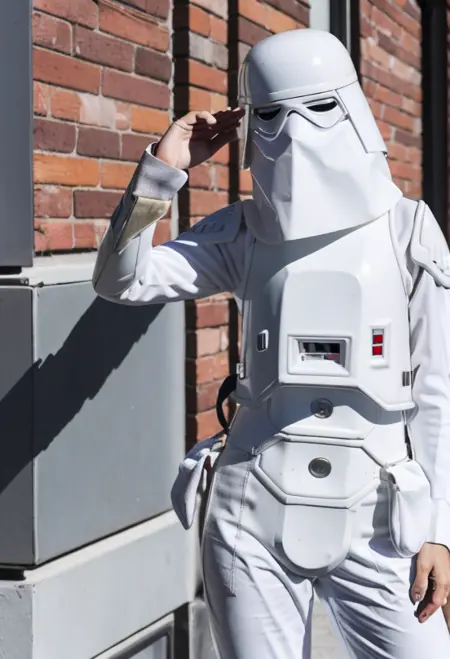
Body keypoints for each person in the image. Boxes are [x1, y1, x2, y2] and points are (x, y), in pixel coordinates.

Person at [93, 29, 450, 659]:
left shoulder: (407, 231)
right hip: (251, 510)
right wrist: (162, 170)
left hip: (382, 517)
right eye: (270, 115)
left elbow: (436, 389)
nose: (294, 130)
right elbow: (122, 279)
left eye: (318, 107)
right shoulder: (243, 233)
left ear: (350, 107)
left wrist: (440, 529)